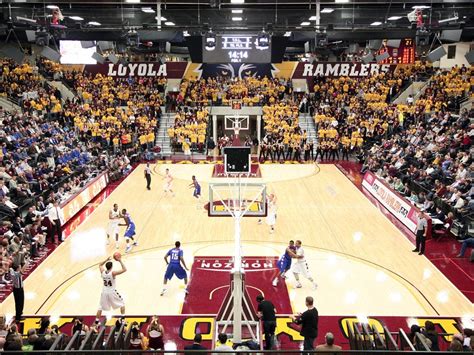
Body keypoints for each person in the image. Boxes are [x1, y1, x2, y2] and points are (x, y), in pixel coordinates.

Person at [95, 255, 127, 323]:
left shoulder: (103, 272)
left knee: (100, 308)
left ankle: (96, 322)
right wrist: (120, 260)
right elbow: (124, 269)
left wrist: (106, 260)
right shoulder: (113, 273)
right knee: (122, 303)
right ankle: (123, 319)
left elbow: (100, 265)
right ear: (111, 267)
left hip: (104, 292)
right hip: (112, 292)